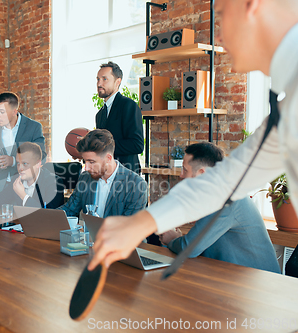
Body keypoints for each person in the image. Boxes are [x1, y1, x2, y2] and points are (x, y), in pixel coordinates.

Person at [89, 0, 298, 271]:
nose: (219, 35)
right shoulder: (287, 107)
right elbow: (227, 181)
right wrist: (139, 224)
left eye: (222, 15)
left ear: (251, 5)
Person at [158, 142, 280, 273]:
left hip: (262, 284)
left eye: (185, 170)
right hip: (235, 277)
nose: (181, 175)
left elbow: (190, 248)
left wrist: (172, 239)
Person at [58, 129, 147, 218]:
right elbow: (69, 209)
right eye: (85, 162)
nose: (87, 168)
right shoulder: (85, 177)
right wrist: (46, 216)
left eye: (92, 162)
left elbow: (129, 227)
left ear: (108, 158)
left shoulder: (136, 185)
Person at [0, 92, 46, 196]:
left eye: (2, 112)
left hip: (23, 188)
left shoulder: (33, 127)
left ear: (14, 111)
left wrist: (13, 161)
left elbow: (42, 157)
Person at [0, 142, 64, 212]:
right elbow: (2, 197)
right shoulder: (18, 180)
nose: (20, 168)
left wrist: (23, 195)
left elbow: (48, 213)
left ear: (38, 163)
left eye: (25, 164)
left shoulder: (54, 182)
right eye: (18, 163)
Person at [95, 61, 144, 174]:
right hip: (106, 175)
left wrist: (103, 146)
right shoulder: (100, 114)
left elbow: (137, 145)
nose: (99, 84)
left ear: (118, 82)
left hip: (127, 176)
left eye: (104, 79)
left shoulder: (128, 105)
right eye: (98, 79)